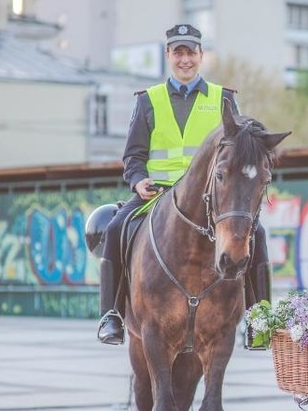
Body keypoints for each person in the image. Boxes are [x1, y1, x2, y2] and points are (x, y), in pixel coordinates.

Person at [96, 24, 271, 346]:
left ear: (201, 55)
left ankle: (259, 318)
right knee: (116, 227)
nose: (185, 59)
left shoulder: (225, 99)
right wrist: (137, 181)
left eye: (191, 52)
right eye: (178, 52)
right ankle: (111, 315)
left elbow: (242, 151)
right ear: (168, 56)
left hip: (211, 197)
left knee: (255, 233)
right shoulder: (148, 100)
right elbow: (133, 156)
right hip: (158, 193)